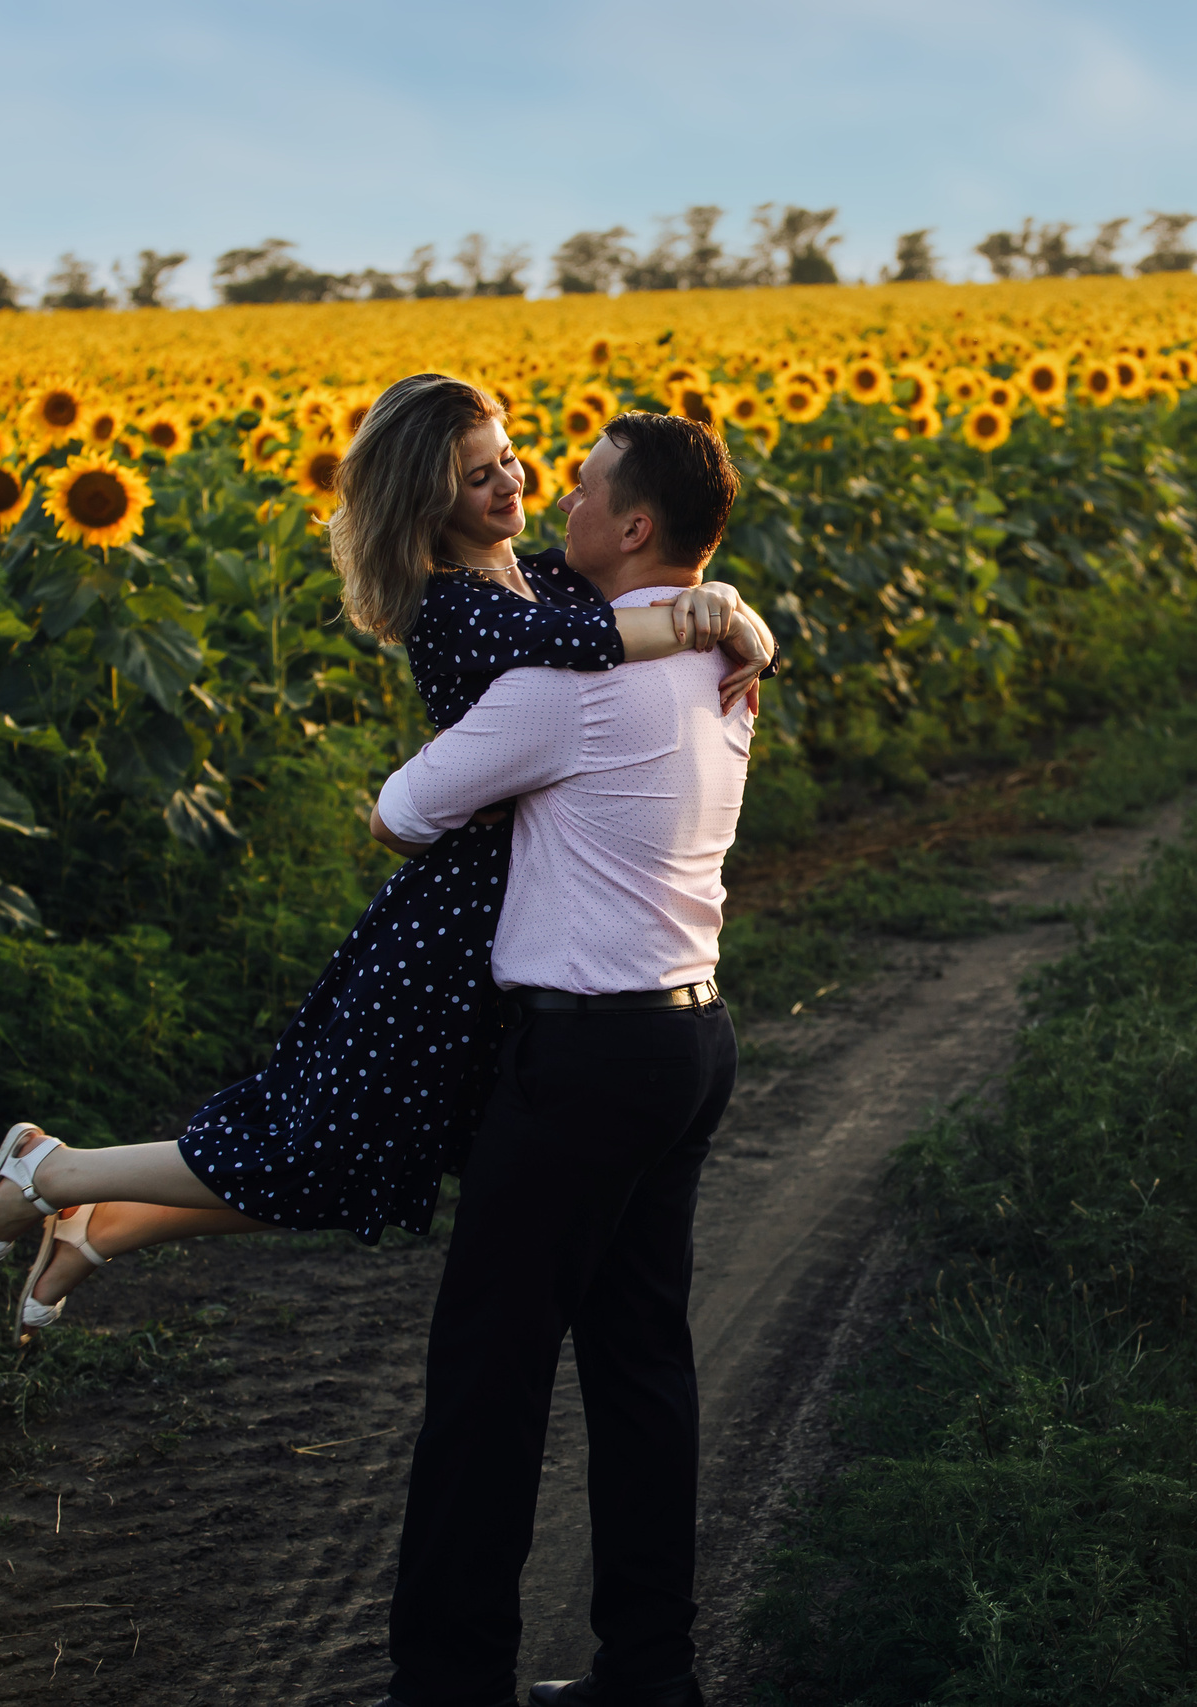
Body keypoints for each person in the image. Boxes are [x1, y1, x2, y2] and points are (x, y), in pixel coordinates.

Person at [0, 375, 774, 1345]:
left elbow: (636, 585)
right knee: (321, 1146)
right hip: (452, 928)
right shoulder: (459, 607)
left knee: (369, 1159)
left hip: (524, 923)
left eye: (507, 457)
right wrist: (715, 616)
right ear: (433, 503)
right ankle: (49, 1173)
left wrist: (725, 605)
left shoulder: (537, 575)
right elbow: (591, 637)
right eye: (479, 477)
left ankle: (100, 1223)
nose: (513, 483)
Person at [366, 412, 752, 1707]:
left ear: (633, 526)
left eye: (581, 488)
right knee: (642, 1364)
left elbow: (403, 808)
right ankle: (652, 1674)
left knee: (490, 1376)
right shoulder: (723, 662)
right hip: (691, 1037)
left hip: (581, 1058)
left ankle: (447, 1683)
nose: (556, 505)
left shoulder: (566, 686)